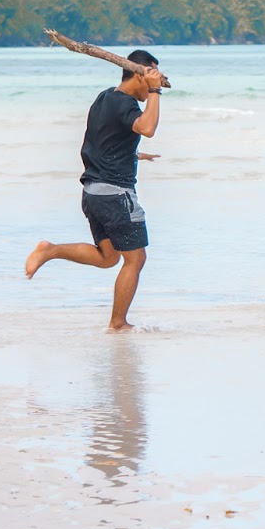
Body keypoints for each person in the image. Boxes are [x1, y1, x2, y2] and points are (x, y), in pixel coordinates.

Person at [25, 50, 167, 331]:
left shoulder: (105, 98)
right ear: (139, 74)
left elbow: (102, 141)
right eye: (153, 75)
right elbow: (147, 127)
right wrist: (154, 93)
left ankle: (50, 250)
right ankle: (118, 323)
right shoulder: (126, 103)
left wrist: (135, 155)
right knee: (136, 259)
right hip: (115, 195)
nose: (158, 81)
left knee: (108, 258)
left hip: (93, 194)